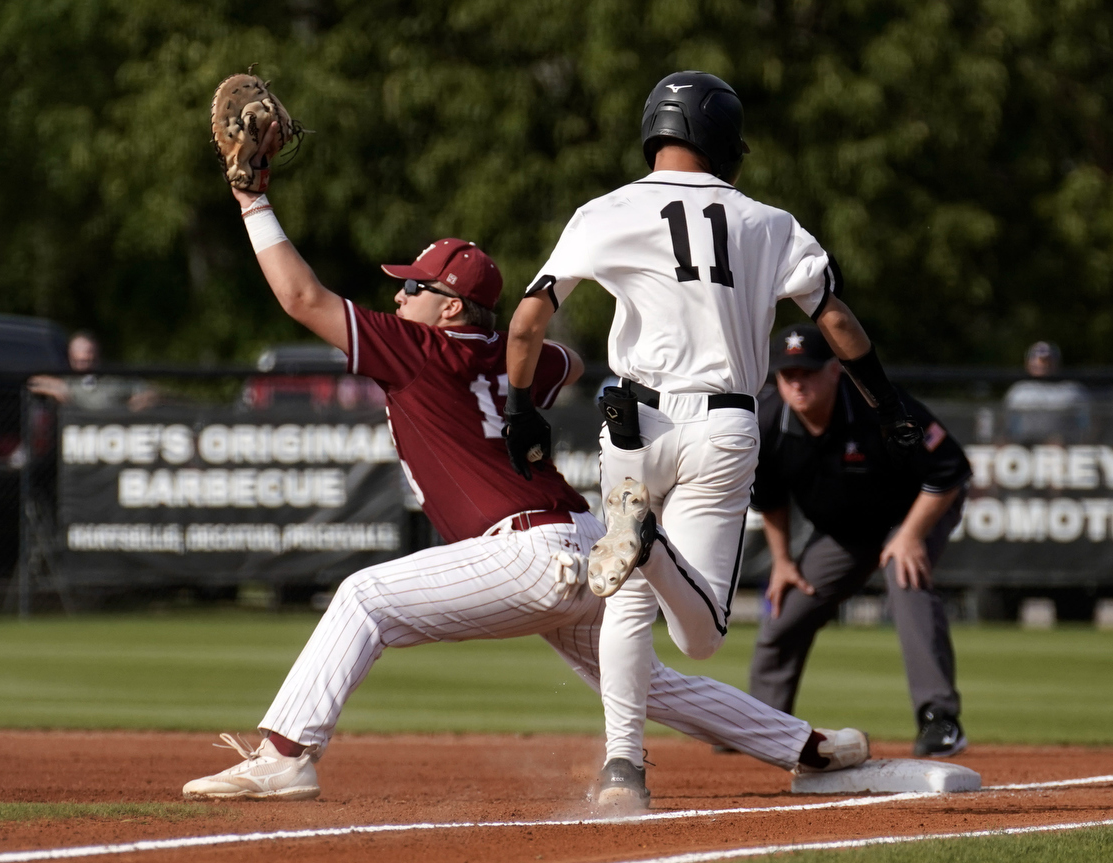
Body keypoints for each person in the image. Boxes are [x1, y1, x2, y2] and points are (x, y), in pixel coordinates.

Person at [181, 139, 869, 805]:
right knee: (641, 681)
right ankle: (811, 747)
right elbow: (561, 361)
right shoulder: (520, 365)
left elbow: (303, 298)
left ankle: (284, 757)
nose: (397, 301)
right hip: (584, 539)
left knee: (363, 597)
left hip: (525, 551)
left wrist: (252, 199)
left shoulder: (417, 350)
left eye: (414, 288)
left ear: (448, 309)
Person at [504, 71, 915, 808]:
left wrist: (517, 407)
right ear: (725, 143)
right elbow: (835, 320)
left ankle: (622, 773)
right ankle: (647, 542)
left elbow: (530, 318)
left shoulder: (606, 209)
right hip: (722, 424)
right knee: (701, 637)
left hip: (631, 425)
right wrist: (883, 398)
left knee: (626, 604)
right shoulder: (768, 221)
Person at [748, 325, 972, 757]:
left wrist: (910, 535)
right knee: (788, 606)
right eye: (787, 373)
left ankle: (940, 720)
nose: (798, 382)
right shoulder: (767, 421)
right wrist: (781, 560)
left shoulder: (878, 404)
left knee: (905, 576)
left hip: (911, 512)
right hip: (846, 532)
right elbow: (770, 498)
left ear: (835, 371)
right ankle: (758, 723)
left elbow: (950, 470)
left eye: (808, 371)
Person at [27, 331, 159, 411]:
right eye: (79, 360)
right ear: (70, 357)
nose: (85, 363)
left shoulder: (114, 381)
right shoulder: (68, 382)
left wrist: (133, 407)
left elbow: (150, 391)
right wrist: (57, 390)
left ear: (97, 355)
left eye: (89, 356)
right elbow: (33, 382)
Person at [1002, 341, 1092, 443]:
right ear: (1028, 363)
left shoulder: (1073, 391)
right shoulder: (1018, 391)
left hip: (1065, 449)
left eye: (1048, 360)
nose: (1042, 364)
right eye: (1037, 359)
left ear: (1057, 363)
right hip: (1026, 447)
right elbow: (1007, 428)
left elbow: (1088, 427)